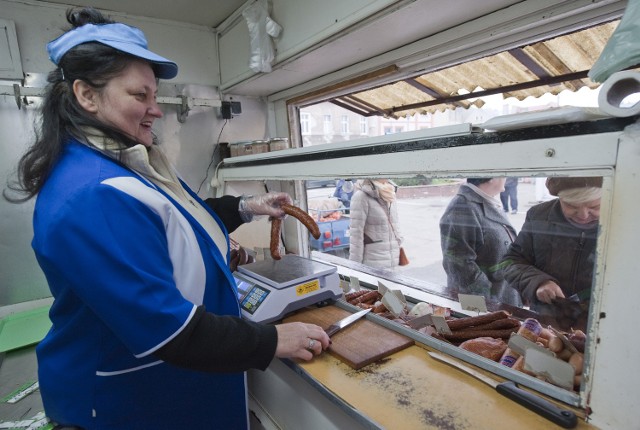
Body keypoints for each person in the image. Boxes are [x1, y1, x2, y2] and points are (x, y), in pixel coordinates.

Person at [3, 8, 329, 429]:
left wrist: (245, 208)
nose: (156, 110)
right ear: (86, 95)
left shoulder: (118, 163)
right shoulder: (93, 193)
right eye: (140, 96)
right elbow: (169, 330)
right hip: (129, 398)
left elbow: (174, 224)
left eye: (154, 96)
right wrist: (271, 340)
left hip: (167, 381)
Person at [503, 176, 602, 329]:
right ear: (559, 198)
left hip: (600, 325)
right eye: (571, 206)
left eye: (595, 207)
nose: (583, 215)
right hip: (547, 323)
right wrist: (538, 282)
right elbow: (510, 262)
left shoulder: (626, 220)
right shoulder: (539, 216)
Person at [439, 178, 521, 305]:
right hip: (486, 306)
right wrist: (488, 300)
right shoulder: (462, 207)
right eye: (503, 173)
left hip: (501, 300)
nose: (507, 177)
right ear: (492, 177)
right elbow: (459, 265)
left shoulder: (485, 200)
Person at [349, 179, 402, 269]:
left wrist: (399, 239)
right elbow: (356, 236)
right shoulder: (361, 196)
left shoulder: (391, 193)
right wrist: (354, 269)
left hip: (394, 261)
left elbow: (395, 223)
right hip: (374, 264)